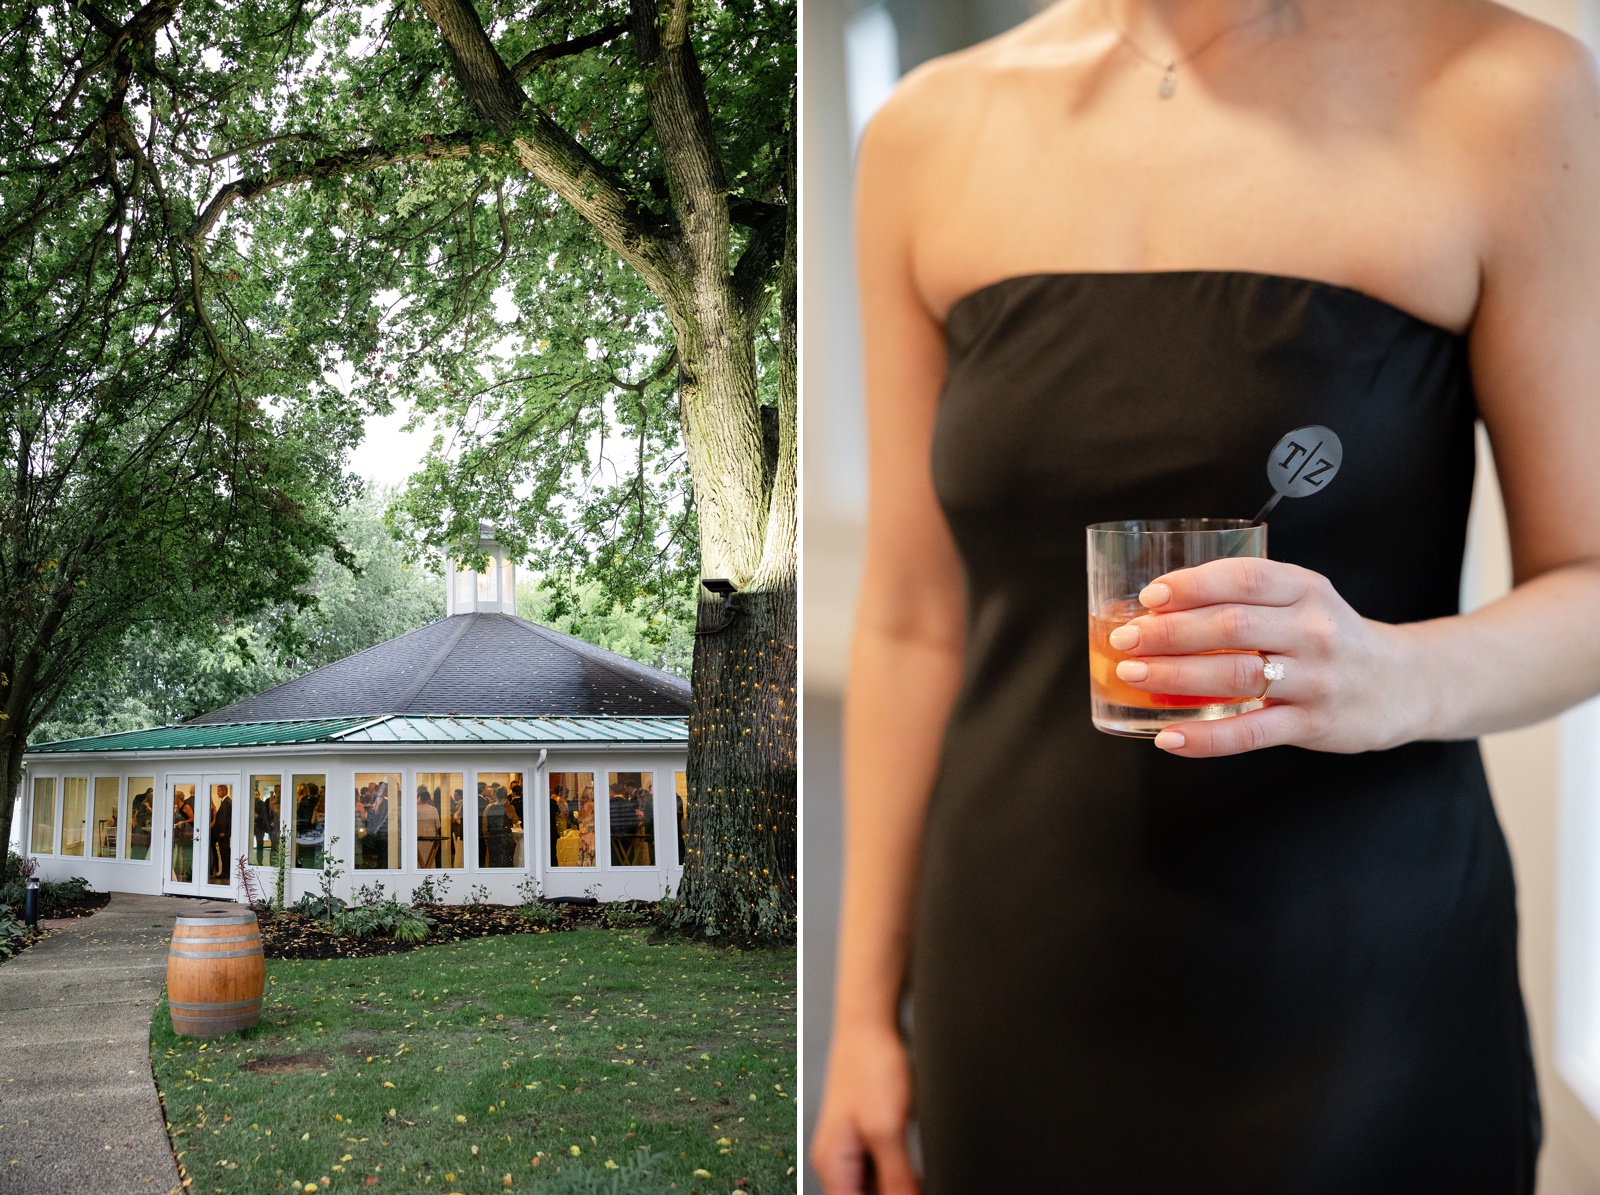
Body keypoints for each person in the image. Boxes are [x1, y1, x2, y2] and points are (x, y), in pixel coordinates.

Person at [812, 2, 1600, 1192]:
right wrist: (864, 1015)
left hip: (1361, 995)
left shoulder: (1505, 90)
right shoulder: (925, 133)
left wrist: (1393, 675)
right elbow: (914, 617)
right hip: (1019, 980)